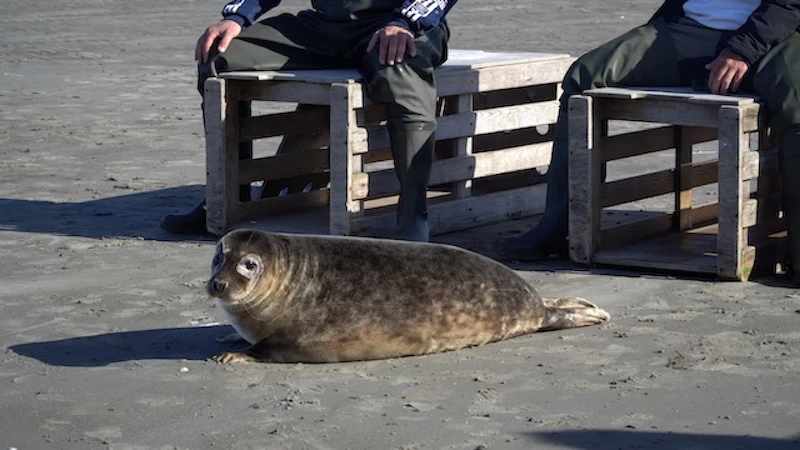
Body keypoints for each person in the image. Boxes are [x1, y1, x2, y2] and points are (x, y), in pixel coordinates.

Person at [497, 0, 800, 284]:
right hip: (690, 28)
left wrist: (744, 48)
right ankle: (557, 227)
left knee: (795, 105)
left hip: (774, 35)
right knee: (582, 77)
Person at [160, 0, 457, 242]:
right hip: (326, 29)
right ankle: (227, 201)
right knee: (216, 56)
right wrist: (239, 16)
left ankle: (413, 217)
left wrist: (405, 22)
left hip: (401, 25)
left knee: (398, 72)